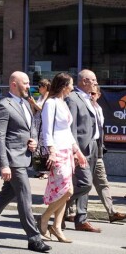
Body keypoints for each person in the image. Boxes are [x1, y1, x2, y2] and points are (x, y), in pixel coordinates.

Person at [0, 71, 51, 253]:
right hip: (13, 159)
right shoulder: (3, 105)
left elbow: (30, 127)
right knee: (25, 196)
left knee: (6, 193)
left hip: (24, 156)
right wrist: (4, 164)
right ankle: (34, 238)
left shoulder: (25, 103)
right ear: (14, 84)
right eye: (25, 83)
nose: (29, 86)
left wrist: (33, 140)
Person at [39, 73, 88, 243]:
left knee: (65, 193)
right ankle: (45, 218)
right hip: (57, 151)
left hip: (66, 151)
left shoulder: (62, 103)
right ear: (64, 86)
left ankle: (57, 227)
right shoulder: (51, 103)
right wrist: (51, 150)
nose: (73, 88)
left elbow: (66, 131)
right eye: (71, 85)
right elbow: (46, 129)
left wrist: (77, 151)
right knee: (68, 190)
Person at [64, 69, 102, 233]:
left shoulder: (90, 99)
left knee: (86, 183)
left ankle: (81, 219)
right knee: (84, 183)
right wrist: (75, 150)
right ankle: (56, 206)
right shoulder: (73, 98)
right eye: (93, 80)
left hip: (93, 145)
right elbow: (70, 127)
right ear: (84, 81)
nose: (95, 83)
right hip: (80, 147)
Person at [88, 85, 126, 224]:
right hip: (84, 153)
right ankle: (69, 212)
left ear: (98, 95)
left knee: (103, 182)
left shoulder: (99, 109)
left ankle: (112, 212)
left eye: (93, 93)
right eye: (89, 93)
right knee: (82, 186)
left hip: (97, 152)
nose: (91, 96)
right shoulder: (84, 107)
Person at [29, 79, 51, 180]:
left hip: (44, 124)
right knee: (37, 147)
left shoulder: (49, 98)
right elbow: (35, 110)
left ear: (45, 87)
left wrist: (34, 103)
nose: (39, 88)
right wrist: (32, 104)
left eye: (40, 86)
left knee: (44, 148)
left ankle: (46, 171)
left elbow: (43, 109)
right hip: (37, 123)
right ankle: (39, 169)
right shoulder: (40, 97)